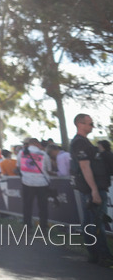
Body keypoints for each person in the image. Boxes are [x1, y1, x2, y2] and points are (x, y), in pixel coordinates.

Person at [70, 113, 113, 266]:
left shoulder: (84, 142)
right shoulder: (79, 143)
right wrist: (94, 190)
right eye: (89, 123)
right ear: (80, 124)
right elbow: (84, 166)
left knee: (92, 222)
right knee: (95, 223)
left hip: (91, 189)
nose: (92, 126)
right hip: (90, 190)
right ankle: (102, 255)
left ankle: (96, 255)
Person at [18, 138, 51, 234]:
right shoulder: (44, 154)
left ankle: (27, 227)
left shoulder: (21, 153)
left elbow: (18, 166)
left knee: (27, 206)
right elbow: (48, 168)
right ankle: (43, 228)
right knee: (43, 207)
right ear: (36, 143)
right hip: (42, 183)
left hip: (27, 183)